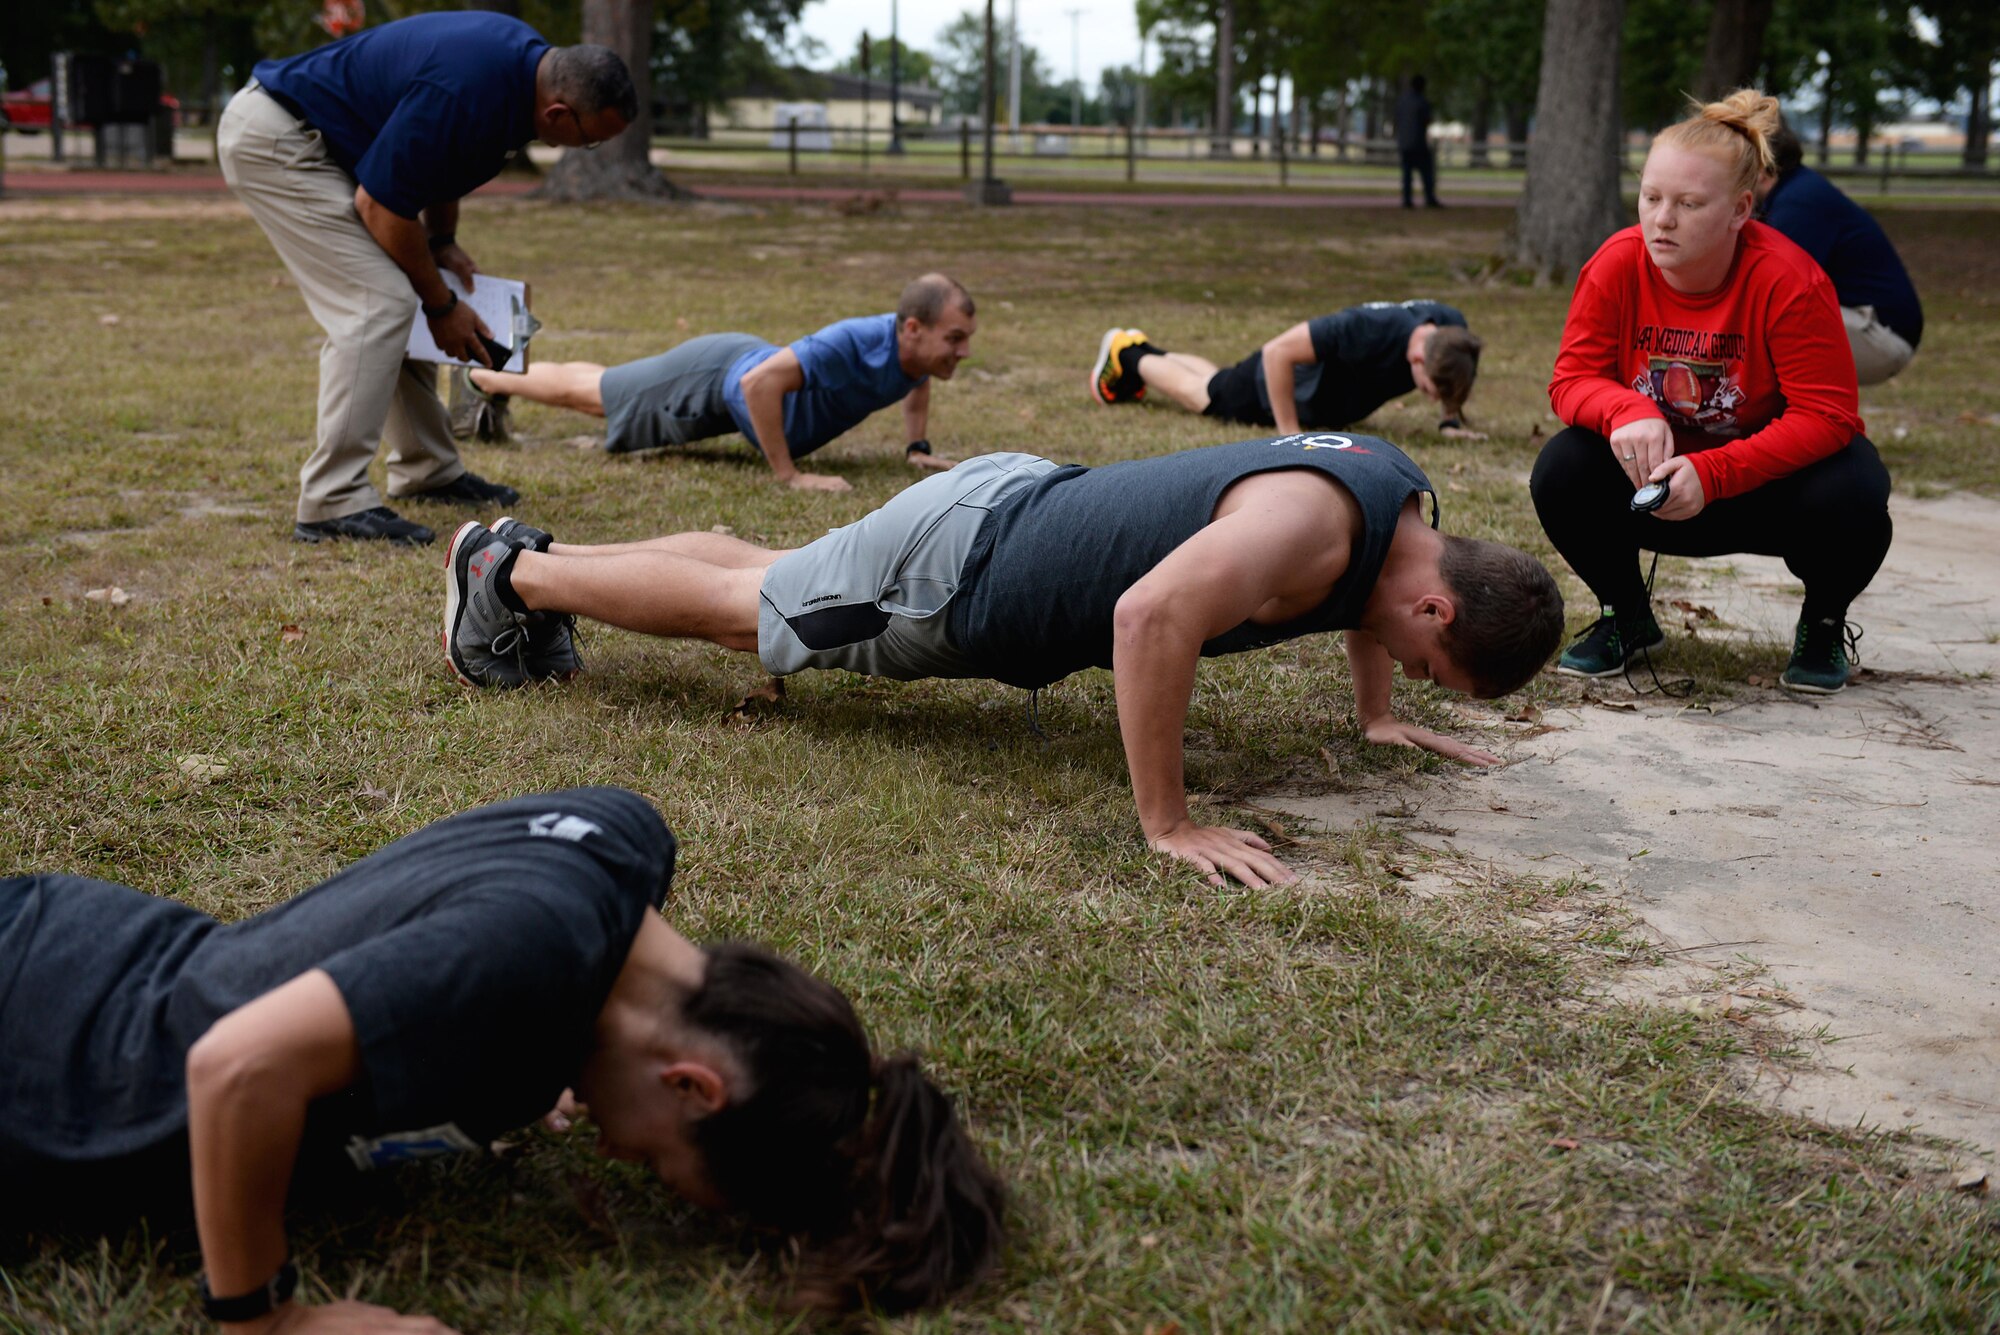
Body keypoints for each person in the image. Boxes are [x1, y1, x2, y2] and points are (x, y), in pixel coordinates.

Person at [1, 788, 1004, 1329]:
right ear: (690, 1085)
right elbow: (235, 1067)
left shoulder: (619, 842)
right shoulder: (523, 959)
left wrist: (521, 1043)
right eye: (657, 1159)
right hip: (54, 1062)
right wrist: (266, 1318)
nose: (619, 1158)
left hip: (76, 936)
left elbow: (468, 924)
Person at [439, 435, 1564, 889]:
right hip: (967, 571)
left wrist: (1373, 718)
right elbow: (1148, 618)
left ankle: (538, 562)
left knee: (782, 571)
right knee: (755, 611)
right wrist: (1166, 823)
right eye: (1425, 666)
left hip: (1010, 501)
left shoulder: (1396, 498)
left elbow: (1368, 607)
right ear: (1436, 601)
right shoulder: (1310, 533)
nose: (1408, 669)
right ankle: (509, 579)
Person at [218, 14, 638, 546]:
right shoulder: (470, 86)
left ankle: (426, 468)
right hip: (282, 142)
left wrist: (441, 243)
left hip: (325, 147)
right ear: (558, 112)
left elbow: (438, 159)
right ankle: (331, 500)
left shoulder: (516, 76)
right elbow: (381, 204)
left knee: (400, 293)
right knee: (379, 302)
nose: (578, 150)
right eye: (589, 141)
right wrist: (441, 307)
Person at [1531, 89, 1891, 695]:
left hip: (1762, 488)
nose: (1661, 219)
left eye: (1688, 203)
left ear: (1740, 209)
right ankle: (1626, 616)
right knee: (1562, 465)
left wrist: (1718, 472)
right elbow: (1570, 381)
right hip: (1655, 487)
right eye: (1650, 197)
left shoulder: (1789, 280)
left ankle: (1824, 626)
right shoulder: (1616, 265)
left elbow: (1828, 416)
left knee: (1856, 484)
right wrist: (1627, 408)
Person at [451, 273, 975, 493]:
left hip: (729, 369)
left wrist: (917, 446)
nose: (962, 352)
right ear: (913, 328)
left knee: (611, 385)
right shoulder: (853, 341)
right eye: (953, 338)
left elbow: (916, 380)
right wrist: (790, 475)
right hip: (720, 376)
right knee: (597, 400)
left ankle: (494, 372)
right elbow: (757, 385)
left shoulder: (911, 357)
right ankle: (483, 376)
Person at [1088, 304, 1485, 440]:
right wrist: (1289, 434)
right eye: (1432, 391)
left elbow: (1453, 372)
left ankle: (1144, 347)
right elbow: (1278, 353)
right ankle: (1129, 357)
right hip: (1278, 383)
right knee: (1207, 396)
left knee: (1217, 379)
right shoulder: (1363, 328)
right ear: (1417, 358)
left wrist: (1449, 421)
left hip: (1314, 394)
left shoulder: (1452, 330)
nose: (1433, 398)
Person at [1755, 120, 1924, 386]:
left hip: (1881, 336)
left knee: (1757, 329)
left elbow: (1770, 290)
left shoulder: (1798, 204)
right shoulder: (1796, 189)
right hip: (1864, 323)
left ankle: (1817, 425)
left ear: (1761, 167)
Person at [1395, 75, 1441, 209]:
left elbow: (1397, 119)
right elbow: (1426, 120)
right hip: (1418, 143)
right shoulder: (1421, 101)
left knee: (1407, 174)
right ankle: (1429, 197)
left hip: (1404, 143)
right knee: (1427, 172)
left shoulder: (1402, 101)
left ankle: (1407, 200)